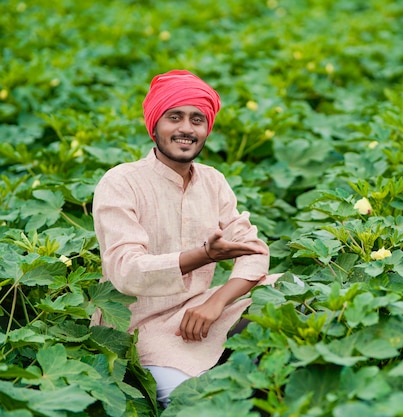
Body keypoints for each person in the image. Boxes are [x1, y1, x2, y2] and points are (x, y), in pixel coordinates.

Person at [90, 69, 278, 408]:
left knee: (288, 291)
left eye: (197, 120)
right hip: (139, 329)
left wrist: (215, 302)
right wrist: (203, 255)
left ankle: (246, 377)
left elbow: (254, 250)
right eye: (174, 117)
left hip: (199, 312)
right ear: (155, 125)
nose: (186, 129)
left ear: (207, 129)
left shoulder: (212, 181)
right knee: (195, 404)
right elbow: (126, 270)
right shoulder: (121, 182)